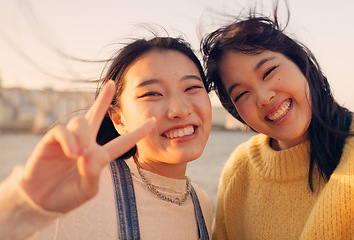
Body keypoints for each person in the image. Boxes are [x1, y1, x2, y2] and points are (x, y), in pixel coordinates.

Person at [201, 10, 354, 240]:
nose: (264, 97)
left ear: (301, 64)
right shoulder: (240, 169)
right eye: (242, 94)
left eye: (268, 72)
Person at [0, 36, 212, 239]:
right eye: (152, 94)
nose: (179, 110)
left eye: (192, 88)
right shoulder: (82, 191)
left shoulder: (202, 204)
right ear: (119, 119)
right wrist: (27, 202)